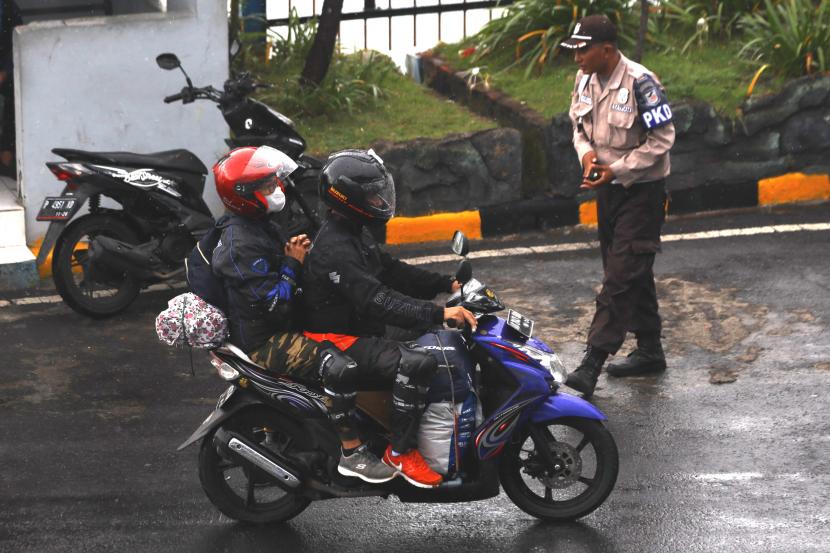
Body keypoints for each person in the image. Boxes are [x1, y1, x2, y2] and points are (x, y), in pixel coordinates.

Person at [192, 145, 397, 485]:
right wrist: (292, 263)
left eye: (276, 183)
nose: (278, 190)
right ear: (243, 196)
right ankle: (352, 453)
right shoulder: (239, 246)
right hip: (264, 340)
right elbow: (274, 308)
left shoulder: (257, 223)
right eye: (267, 187)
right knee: (338, 367)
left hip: (278, 325)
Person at [302, 149, 477, 488]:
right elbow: (379, 301)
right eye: (371, 193)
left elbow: (391, 271)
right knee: (419, 363)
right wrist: (440, 312)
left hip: (356, 325)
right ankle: (400, 450)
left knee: (426, 329)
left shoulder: (353, 231)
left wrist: (444, 284)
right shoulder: (336, 248)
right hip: (336, 338)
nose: (380, 199)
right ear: (349, 197)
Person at [560, 14, 675, 398]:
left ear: (606, 50)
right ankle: (650, 349)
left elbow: (662, 139)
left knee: (620, 275)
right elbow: (578, 126)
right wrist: (588, 156)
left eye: (582, 49)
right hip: (607, 190)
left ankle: (592, 362)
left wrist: (619, 169)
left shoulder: (642, 82)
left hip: (642, 191)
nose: (577, 57)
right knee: (627, 268)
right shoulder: (585, 80)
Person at [0, 0, 22, 177]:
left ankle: (7, 152)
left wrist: (5, 70)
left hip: (7, 67)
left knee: (13, 104)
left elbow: (18, 38)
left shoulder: (7, 6)